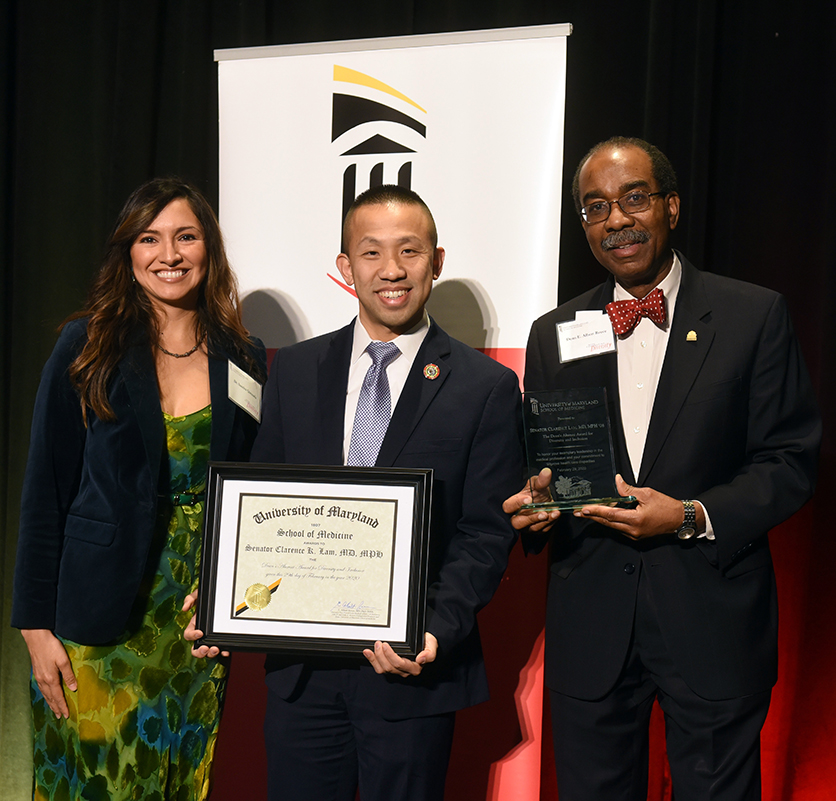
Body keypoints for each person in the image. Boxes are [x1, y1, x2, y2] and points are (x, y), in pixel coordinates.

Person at [504, 137, 821, 800]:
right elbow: (552, 467)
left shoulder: (752, 314)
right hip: (592, 625)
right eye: (595, 207)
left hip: (712, 619)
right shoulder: (553, 331)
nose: (615, 218)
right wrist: (537, 504)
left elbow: (790, 459)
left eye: (634, 198)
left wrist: (689, 515)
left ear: (671, 207)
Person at [187, 184, 524, 800]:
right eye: (370, 253)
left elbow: (485, 531)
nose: (391, 270)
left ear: (437, 262)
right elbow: (261, 506)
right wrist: (223, 596)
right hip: (302, 679)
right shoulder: (292, 370)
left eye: (410, 251)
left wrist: (433, 628)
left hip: (409, 671)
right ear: (346, 268)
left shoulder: (487, 388)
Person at [11, 177, 267, 801]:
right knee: (99, 783)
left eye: (186, 236)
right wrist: (34, 629)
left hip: (193, 623)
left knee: (181, 776)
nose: (169, 254)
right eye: (149, 239)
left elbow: (256, 492)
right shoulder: (87, 343)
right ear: (128, 252)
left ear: (210, 248)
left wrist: (233, 591)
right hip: (95, 623)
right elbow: (45, 491)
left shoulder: (245, 357)